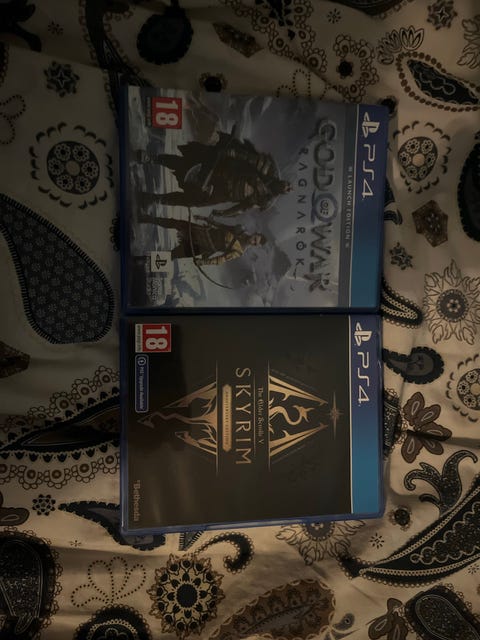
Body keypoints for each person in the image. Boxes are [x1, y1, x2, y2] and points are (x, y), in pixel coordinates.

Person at [136, 128, 292, 216]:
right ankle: (152, 159)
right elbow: (247, 157)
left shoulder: (267, 201)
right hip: (226, 172)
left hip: (223, 193)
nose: (288, 187)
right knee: (187, 166)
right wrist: (229, 152)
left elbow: (243, 207)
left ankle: (155, 199)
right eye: (289, 185)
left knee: (194, 200)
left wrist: (224, 214)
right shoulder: (270, 169)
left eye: (289, 189)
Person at [138, 214, 266, 266]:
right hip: (201, 231)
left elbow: (221, 259)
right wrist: (205, 219)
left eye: (255, 243)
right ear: (255, 233)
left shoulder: (239, 251)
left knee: (173, 255)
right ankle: (145, 218)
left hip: (202, 247)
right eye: (255, 238)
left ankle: (140, 261)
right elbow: (222, 226)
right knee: (175, 223)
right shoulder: (240, 230)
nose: (252, 241)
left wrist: (204, 262)